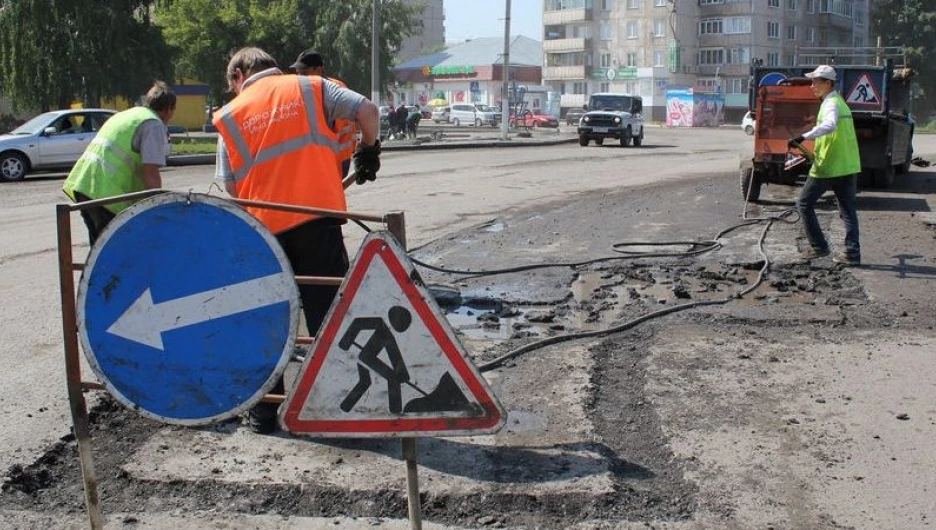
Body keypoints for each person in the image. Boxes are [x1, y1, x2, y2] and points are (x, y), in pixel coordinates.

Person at [213, 46, 380, 434]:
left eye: (231, 84)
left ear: (240, 75)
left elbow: (231, 186)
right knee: (328, 316)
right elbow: (368, 112)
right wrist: (369, 151)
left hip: (264, 233)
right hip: (319, 222)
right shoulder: (312, 88)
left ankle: (264, 413)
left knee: (267, 319)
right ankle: (337, 407)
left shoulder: (230, 116)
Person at [62, 81, 176, 245]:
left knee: (99, 252)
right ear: (168, 109)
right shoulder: (153, 124)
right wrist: (158, 207)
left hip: (85, 186)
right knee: (113, 252)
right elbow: (151, 172)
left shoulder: (126, 115)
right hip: (107, 194)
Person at [788, 65, 862, 267]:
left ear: (828, 83)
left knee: (804, 203)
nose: (812, 86)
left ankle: (819, 246)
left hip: (829, 165)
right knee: (848, 210)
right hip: (847, 165)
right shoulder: (841, 102)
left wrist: (804, 136)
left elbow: (830, 125)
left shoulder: (830, 104)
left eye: (816, 82)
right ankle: (853, 254)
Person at [290, 49, 357, 178]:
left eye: (305, 73)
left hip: (334, 157)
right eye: (298, 73)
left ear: (319, 70)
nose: (300, 78)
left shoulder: (325, 93)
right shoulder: (334, 86)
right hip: (337, 154)